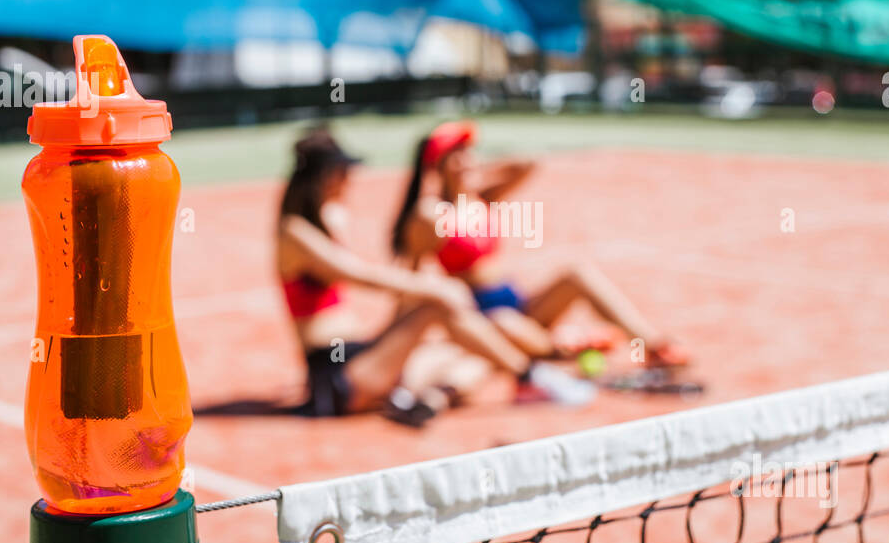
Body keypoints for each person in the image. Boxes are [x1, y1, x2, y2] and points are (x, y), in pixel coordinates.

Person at [276, 128, 593, 426]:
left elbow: (525, 163)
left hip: (357, 354)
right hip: (336, 376)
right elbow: (361, 276)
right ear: (323, 178)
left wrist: (467, 171)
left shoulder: (327, 220)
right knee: (438, 307)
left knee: (461, 346)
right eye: (343, 173)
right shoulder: (294, 232)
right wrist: (432, 286)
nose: (349, 181)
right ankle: (531, 377)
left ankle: (423, 395)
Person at [390, 120, 688, 368]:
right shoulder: (430, 214)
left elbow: (528, 163)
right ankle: (564, 348)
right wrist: (395, 337)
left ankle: (652, 344)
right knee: (506, 324)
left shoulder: (482, 197)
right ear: (438, 165)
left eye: (469, 151)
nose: (467, 158)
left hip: (517, 302)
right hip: (483, 318)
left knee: (576, 273)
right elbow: (412, 277)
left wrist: (472, 171)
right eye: (457, 154)